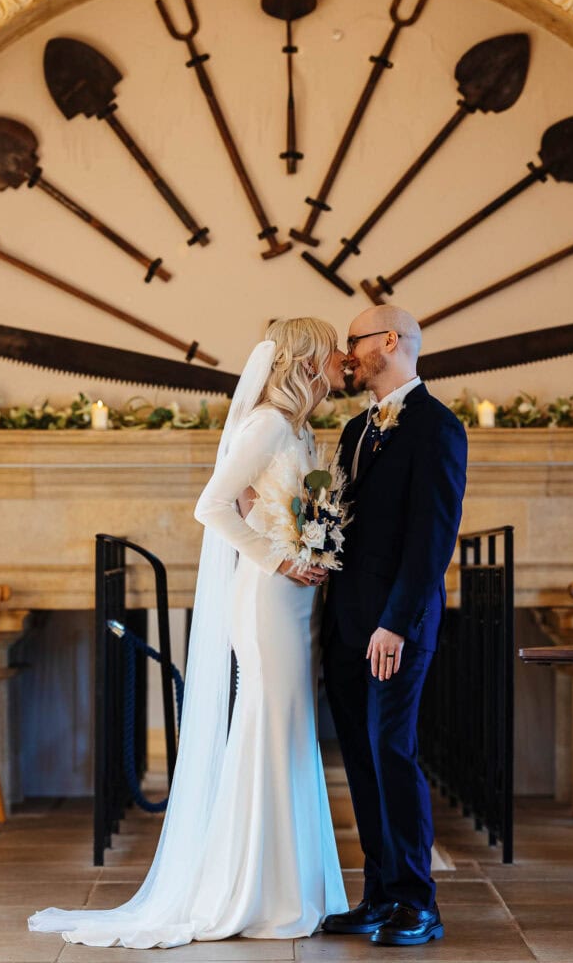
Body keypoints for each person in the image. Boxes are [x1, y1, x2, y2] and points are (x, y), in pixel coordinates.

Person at [28, 318, 349, 948]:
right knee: (268, 726)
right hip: (266, 597)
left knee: (288, 729)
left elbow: (279, 506)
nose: (342, 356)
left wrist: (312, 546)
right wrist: (281, 560)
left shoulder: (300, 428)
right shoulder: (267, 424)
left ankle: (291, 886)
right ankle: (258, 892)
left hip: (294, 600)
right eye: (332, 346)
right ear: (308, 359)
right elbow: (212, 506)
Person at [322, 305, 467, 947]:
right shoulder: (356, 429)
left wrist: (396, 624)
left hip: (396, 629)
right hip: (346, 624)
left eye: (352, 341)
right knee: (360, 759)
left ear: (388, 341)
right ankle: (379, 895)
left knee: (392, 753)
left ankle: (417, 901)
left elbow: (432, 538)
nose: (346, 355)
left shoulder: (438, 427)